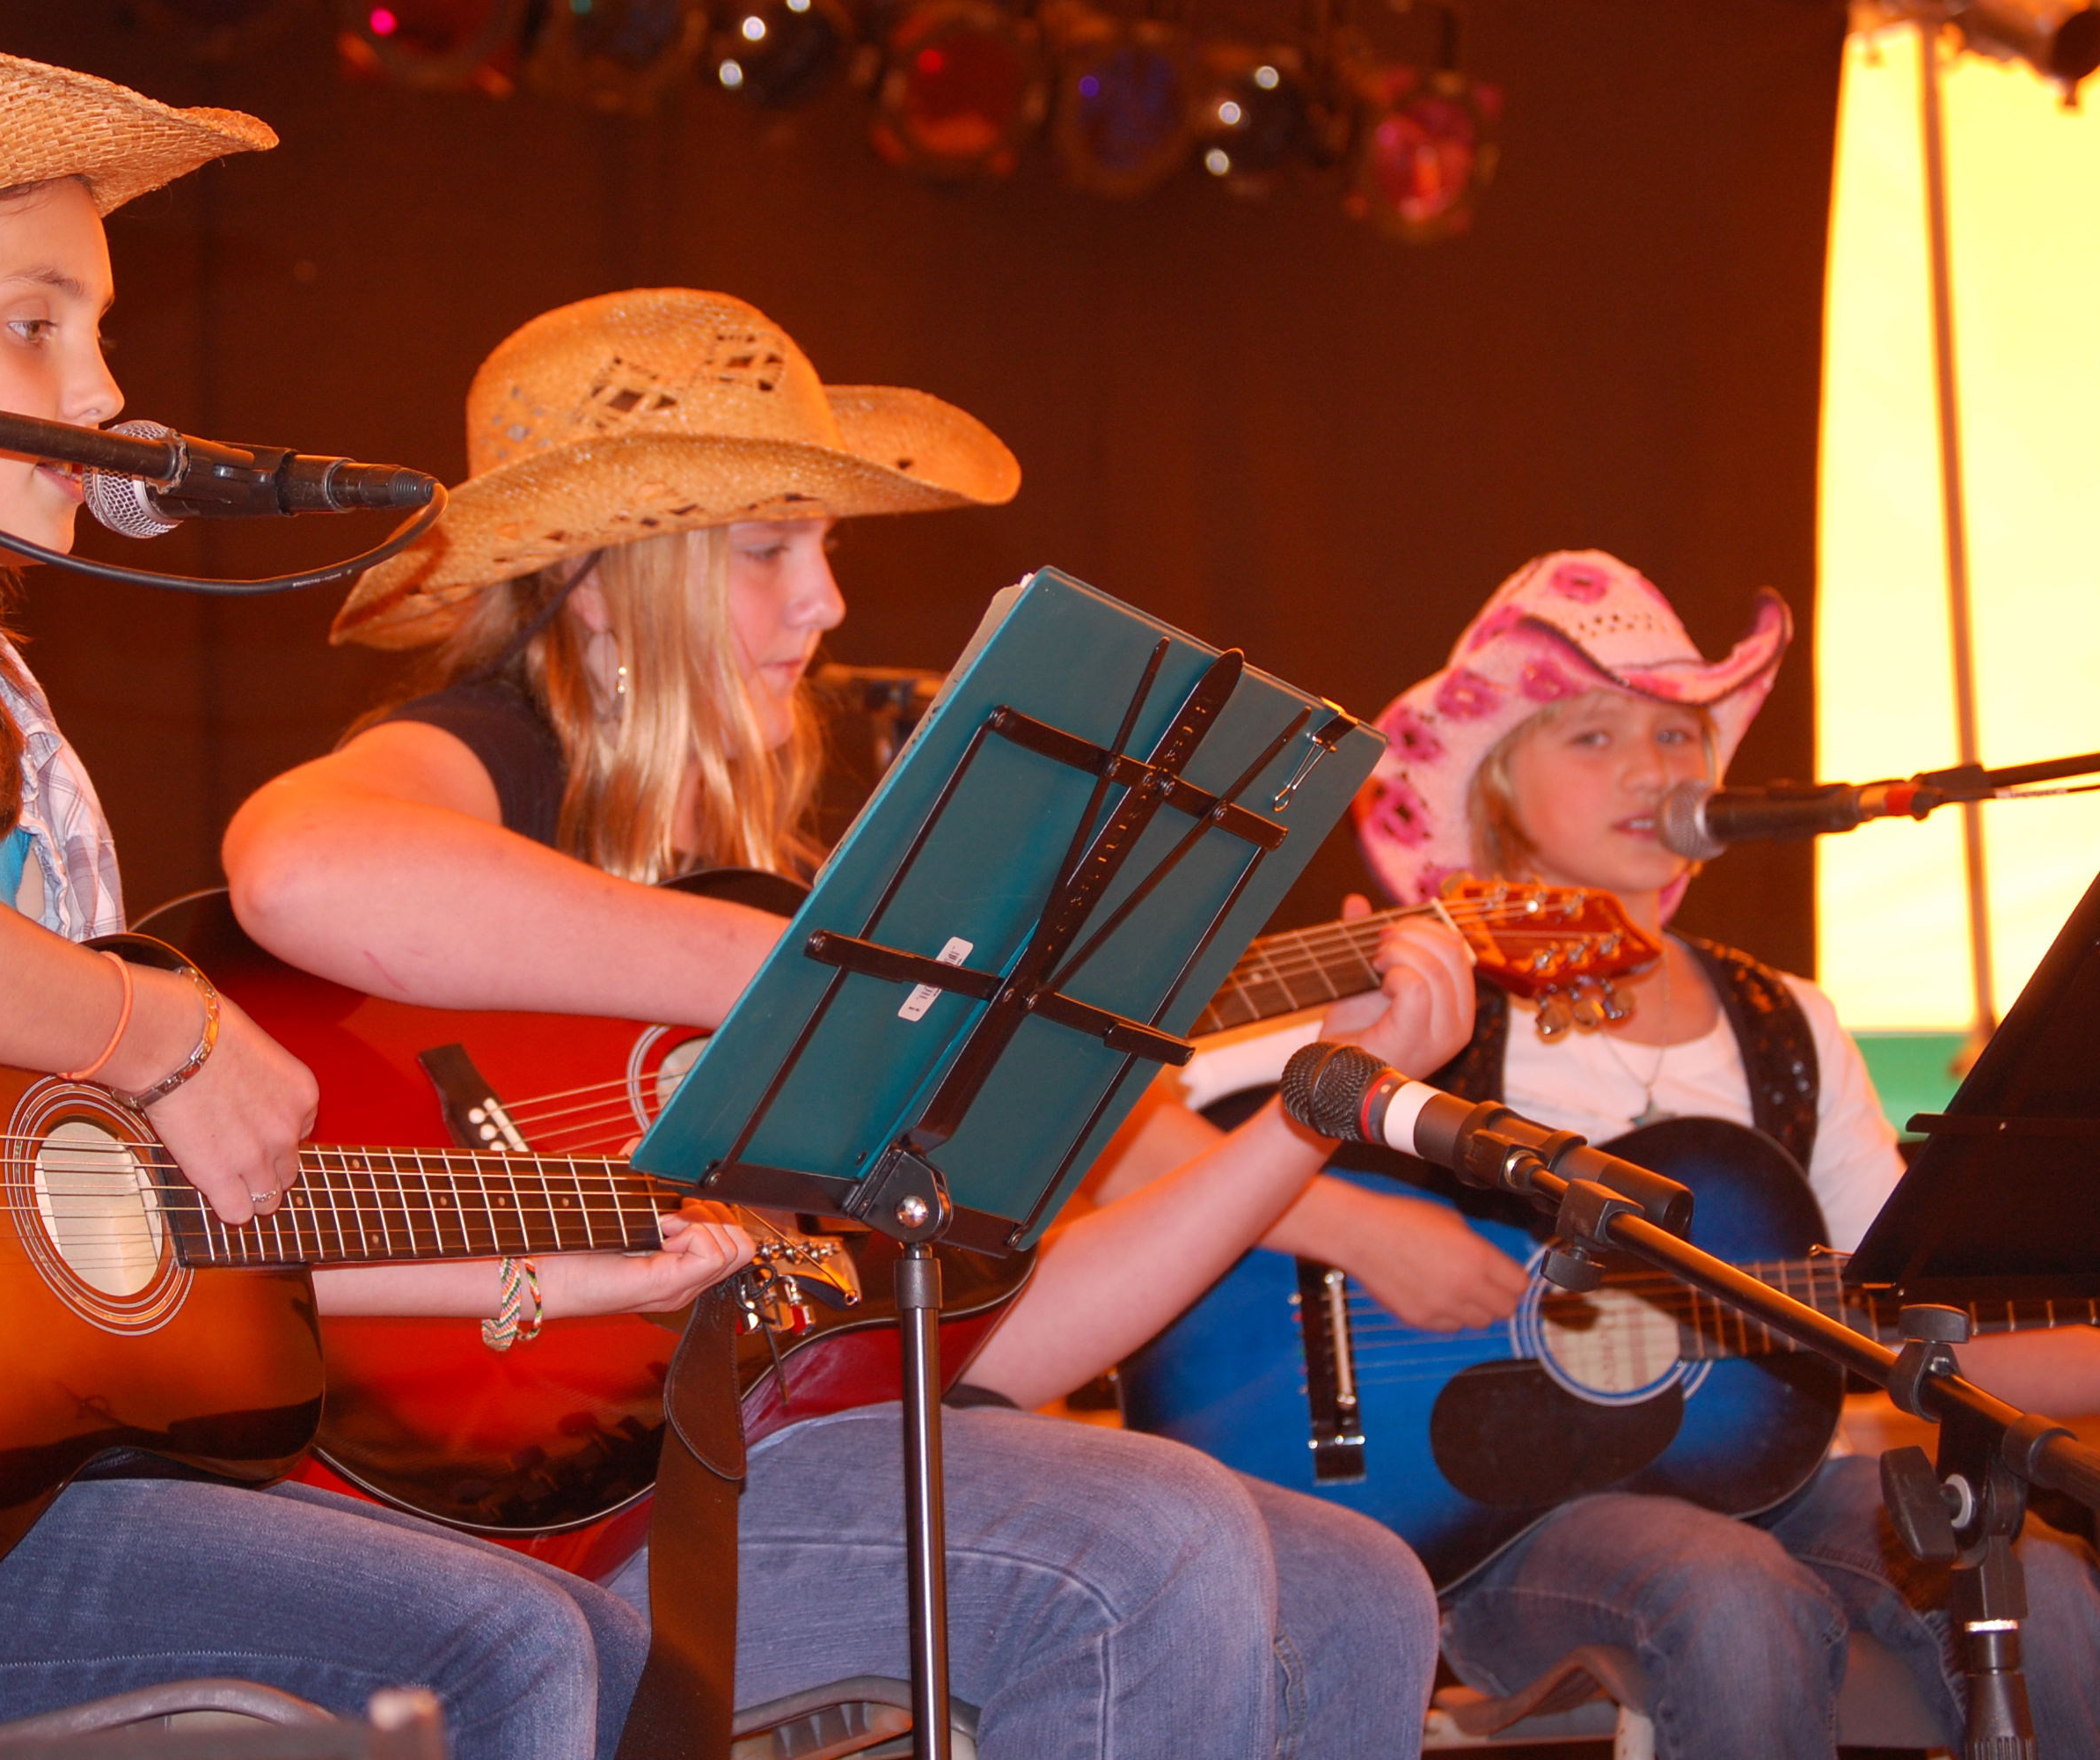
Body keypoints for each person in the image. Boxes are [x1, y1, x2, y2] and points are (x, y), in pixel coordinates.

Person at [0, 25, 759, 1755]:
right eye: (34, 326)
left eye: (97, 332)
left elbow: (138, 1239)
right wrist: (165, 1033)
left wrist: (547, 1267)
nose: (104, 396)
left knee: (601, 1651)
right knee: (512, 1652)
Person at [224, 287, 1463, 1757]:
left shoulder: (781, 868)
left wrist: (1317, 1110)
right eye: (768, 551)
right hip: (530, 1491)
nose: (825, 602)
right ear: (606, 585)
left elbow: (986, 1342)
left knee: (1361, 1592)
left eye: (823, 551)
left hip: (765, 1444)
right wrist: (800, 985)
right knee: (1146, 1537)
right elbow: (299, 868)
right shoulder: (500, 755)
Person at [1124, 552, 2100, 1756]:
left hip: (1774, 1476)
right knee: (1731, 1597)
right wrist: (1367, 1229)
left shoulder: (1786, 1021)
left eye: (1682, 735)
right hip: (1501, 1517)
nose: (1655, 769)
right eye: (1594, 736)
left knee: (2044, 1583)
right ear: (1494, 781)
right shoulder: (1412, 980)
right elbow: (1113, 1126)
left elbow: (1911, 1312)